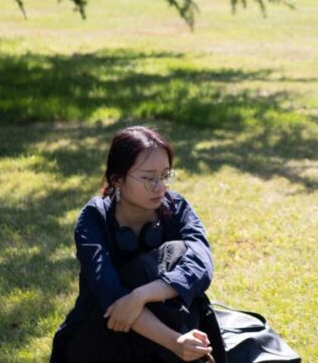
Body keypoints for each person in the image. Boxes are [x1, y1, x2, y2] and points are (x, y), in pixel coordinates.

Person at [50, 126, 222, 363]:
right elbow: (109, 294)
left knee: (177, 254)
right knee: (156, 265)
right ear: (117, 179)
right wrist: (175, 343)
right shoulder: (94, 218)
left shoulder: (176, 208)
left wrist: (141, 296)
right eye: (148, 178)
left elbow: (201, 264)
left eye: (165, 175)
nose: (160, 186)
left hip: (170, 328)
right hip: (104, 333)